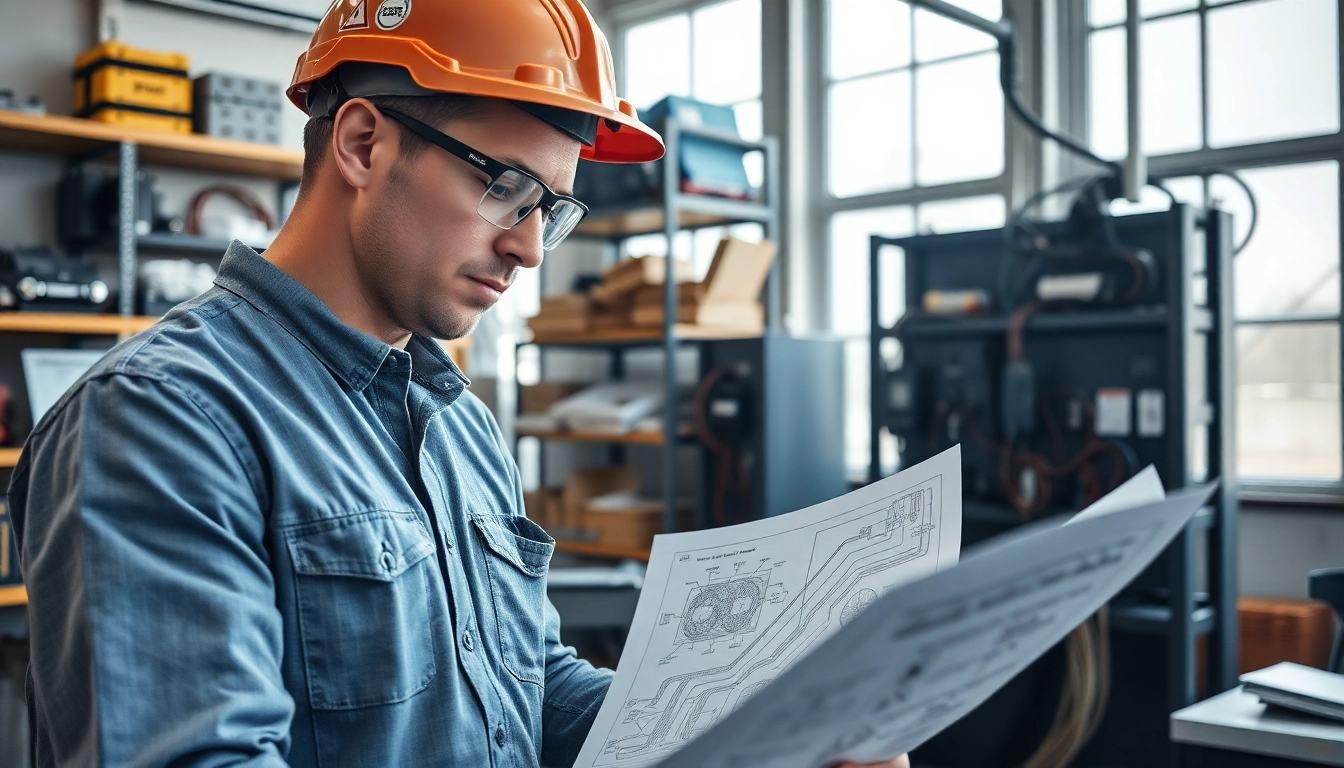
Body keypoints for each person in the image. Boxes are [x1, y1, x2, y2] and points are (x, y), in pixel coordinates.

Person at [10, 1, 910, 766]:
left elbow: (530, 691)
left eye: (549, 211)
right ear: (363, 142)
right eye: (508, 188)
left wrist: (759, 732)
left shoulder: (459, 426)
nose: (526, 247)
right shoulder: (162, 422)